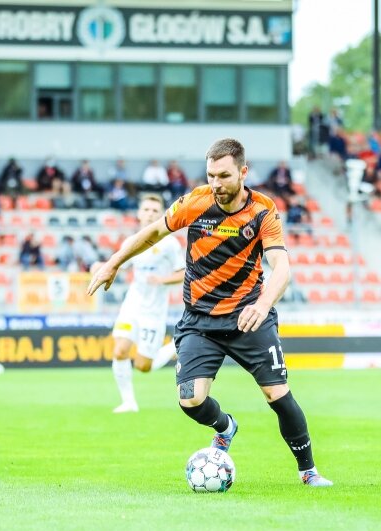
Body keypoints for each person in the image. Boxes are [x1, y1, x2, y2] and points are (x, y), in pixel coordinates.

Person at [88, 138, 333, 487]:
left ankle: (308, 472)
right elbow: (153, 232)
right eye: (210, 175)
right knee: (190, 399)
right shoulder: (196, 201)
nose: (216, 183)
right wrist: (114, 262)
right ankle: (225, 427)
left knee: (276, 394)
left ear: (243, 172)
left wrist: (263, 304)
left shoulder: (263, 210)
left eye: (224, 176)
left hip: (248, 317)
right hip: (199, 322)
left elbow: (282, 267)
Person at [102, 194, 185, 413]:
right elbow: (117, 265)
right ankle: (129, 402)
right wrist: (101, 268)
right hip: (132, 305)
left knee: (143, 366)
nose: (149, 214)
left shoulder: (170, 244)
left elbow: (183, 273)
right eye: (146, 210)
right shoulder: (131, 242)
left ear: (162, 215)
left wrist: (162, 280)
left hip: (154, 311)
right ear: (139, 214)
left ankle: (174, 346)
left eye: (154, 210)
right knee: (120, 351)